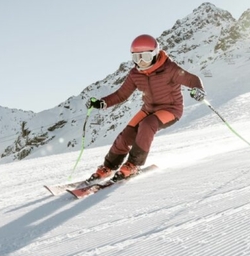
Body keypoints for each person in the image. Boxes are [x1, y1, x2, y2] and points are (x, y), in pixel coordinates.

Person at [86, 34, 205, 181]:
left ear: (155, 54)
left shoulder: (170, 69)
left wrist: (198, 89)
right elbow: (122, 94)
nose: (141, 62)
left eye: (146, 57)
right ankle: (108, 166)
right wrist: (102, 102)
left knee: (148, 124)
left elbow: (192, 79)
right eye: (137, 58)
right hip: (148, 109)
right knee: (127, 134)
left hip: (171, 109)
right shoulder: (135, 74)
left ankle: (133, 164)